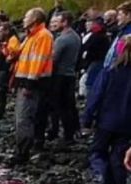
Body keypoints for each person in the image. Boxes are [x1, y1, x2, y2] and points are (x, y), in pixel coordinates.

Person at [86, 35, 131, 184]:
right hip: (127, 125)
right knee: (119, 157)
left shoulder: (109, 72)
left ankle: (103, 177)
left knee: (97, 152)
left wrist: (87, 119)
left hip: (106, 121)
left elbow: (95, 97)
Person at [11, 7, 54, 164]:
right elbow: (22, 56)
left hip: (32, 84)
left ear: (35, 19)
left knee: (24, 119)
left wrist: (29, 84)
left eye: (26, 16)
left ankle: (22, 153)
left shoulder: (43, 36)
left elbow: (39, 62)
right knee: (20, 118)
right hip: (24, 81)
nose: (23, 19)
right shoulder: (31, 36)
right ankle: (21, 149)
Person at [48, 11, 82, 145]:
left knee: (58, 106)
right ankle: (72, 132)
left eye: (58, 21)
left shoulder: (62, 39)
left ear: (65, 22)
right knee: (69, 105)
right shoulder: (76, 37)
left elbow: (53, 59)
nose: (56, 24)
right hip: (70, 74)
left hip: (59, 76)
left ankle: (60, 132)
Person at [82, 18, 110, 101]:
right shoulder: (104, 36)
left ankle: (90, 101)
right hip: (98, 61)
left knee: (90, 82)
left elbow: (86, 47)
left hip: (96, 61)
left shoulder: (96, 36)